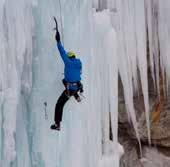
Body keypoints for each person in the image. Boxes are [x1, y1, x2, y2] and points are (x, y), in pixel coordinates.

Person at [50, 25, 83, 131]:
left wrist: (58, 40)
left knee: (59, 104)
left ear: (69, 57)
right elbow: (79, 73)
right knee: (64, 80)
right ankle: (77, 96)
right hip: (77, 86)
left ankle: (57, 124)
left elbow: (61, 51)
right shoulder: (79, 63)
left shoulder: (68, 62)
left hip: (71, 89)